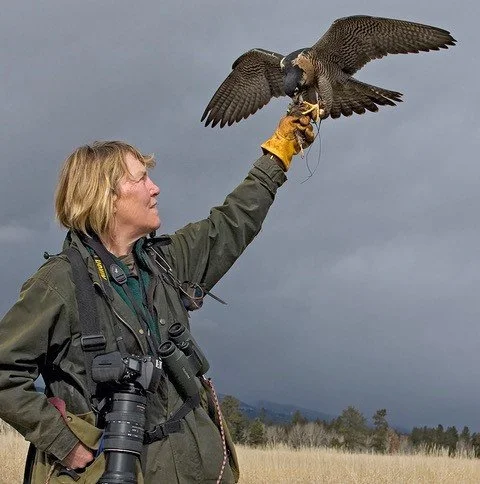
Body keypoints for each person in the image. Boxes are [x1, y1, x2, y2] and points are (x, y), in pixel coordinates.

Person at [0, 108, 315, 483]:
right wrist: (62, 440)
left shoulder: (166, 263)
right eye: (142, 178)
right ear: (106, 196)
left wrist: (279, 153)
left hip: (198, 468)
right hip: (116, 472)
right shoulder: (59, 283)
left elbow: (234, 221)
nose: (155, 187)